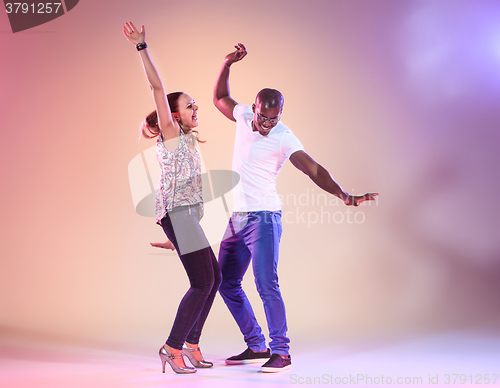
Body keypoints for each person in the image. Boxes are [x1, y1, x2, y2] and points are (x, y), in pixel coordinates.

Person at [213, 43, 378, 373]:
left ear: (279, 116)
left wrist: (344, 195)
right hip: (237, 218)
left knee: (265, 284)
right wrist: (227, 63)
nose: (267, 124)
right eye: (263, 117)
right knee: (225, 281)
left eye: (273, 119)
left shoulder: (284, 136)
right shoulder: (244, 114)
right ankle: (256, 345)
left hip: (264, 219)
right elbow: (219, 98)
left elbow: (313, 169)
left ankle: (282, 352)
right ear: (255, 108)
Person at [123, 22, 221, 374]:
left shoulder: (189, 141)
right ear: (174, 114)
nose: (196, 108)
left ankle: (191, 343)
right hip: (178, 216)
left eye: (196, 104)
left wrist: (173, 235)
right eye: (189, 105)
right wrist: (142, 46)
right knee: (202, 282)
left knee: (215, 278)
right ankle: (172, 347)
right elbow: (157, 86)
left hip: (183, 218)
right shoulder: (172, 133)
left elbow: (178, 187)